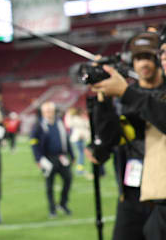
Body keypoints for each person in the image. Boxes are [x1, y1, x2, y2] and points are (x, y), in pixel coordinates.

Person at [89, 31, 166, 240]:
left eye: (149, 57)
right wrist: (103, 98)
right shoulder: (122, 95)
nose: (144, 64)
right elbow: (110, 138)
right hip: (132, 193)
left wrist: (125, 93)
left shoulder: (128, 94)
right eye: (139, 57)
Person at [30, 101, 73, 218]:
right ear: (43, 112)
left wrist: (72, 155)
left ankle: (63, 204)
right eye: (47, 110)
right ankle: (52, 209)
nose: (49, 112)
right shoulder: (39, 125)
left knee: (68, 179)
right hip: (47, 159)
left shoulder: (59, 122)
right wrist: (38, 159)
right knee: (49, 185)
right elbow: (34, 143)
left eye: (51, 110)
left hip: (61, 157)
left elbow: (66, 139)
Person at [64, 107, 90, 177]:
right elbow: (69, 124)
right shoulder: (76, 118)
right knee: (80, 154)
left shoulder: (81, 118)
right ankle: (79, 170)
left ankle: (78, 169)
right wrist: (68, 114)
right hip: (78, 139)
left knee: (80, 154)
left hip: (82, 139)